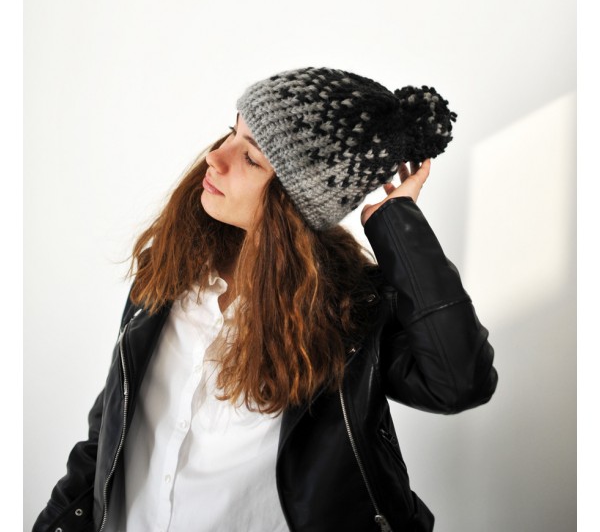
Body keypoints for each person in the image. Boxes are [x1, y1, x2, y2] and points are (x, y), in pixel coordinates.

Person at [33, 66, 498, 532]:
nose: (215, 157)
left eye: (251, 158)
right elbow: (108, 435)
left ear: (295, 204)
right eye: (231, 132)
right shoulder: (170, 269)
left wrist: (396, 222)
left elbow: (459, 382)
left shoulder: (347, 313)